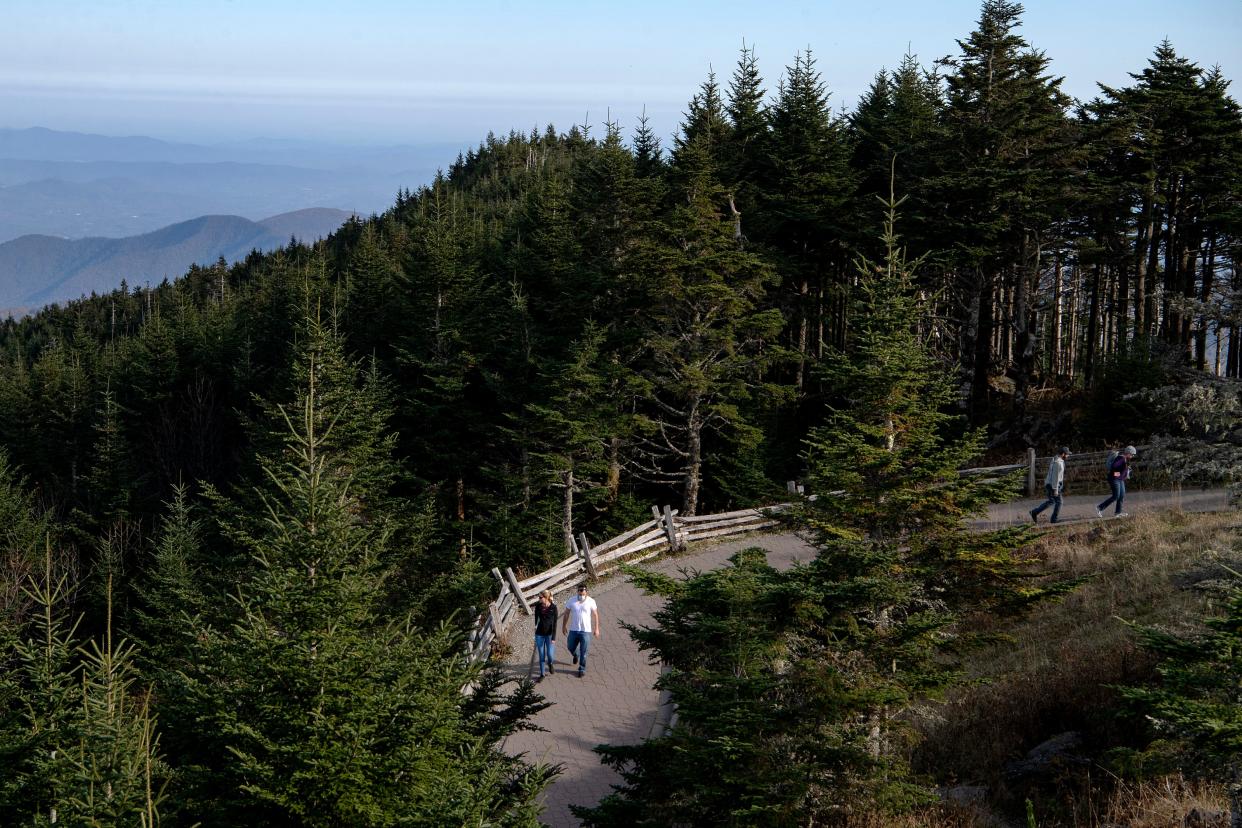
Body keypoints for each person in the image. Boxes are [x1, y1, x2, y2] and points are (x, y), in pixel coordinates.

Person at [562, 582, 599, 678]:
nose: (581, 595)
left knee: (584, 651)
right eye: (579, 593)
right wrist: (564, 626)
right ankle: (576, 654)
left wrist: (597, 628)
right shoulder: (571, 600)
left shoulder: (591, 601)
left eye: (583, 593)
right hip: (573, 630)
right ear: (577, 591)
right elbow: (566, 613)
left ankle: (581, 669)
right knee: (570, 647)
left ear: (586, 592)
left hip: (586, 631)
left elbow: (595, 615)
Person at [1030, 446, 1071, 524]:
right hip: (1053, 485)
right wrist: (1055, 489)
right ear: (1062, 454)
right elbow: (1055, 477)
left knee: (1051, 501)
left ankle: (1034, 512)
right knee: (1059, 502)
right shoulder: (1058, 463)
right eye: (1067, 454)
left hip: (1049, 483)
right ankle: (1054, 520)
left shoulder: (1055, 458)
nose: (1068, 456)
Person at [1097, 445, 1137, 518]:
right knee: (1116, 496)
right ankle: (1100, 508)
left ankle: (1118, 513)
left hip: (1120, 480)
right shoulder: (1120, 458)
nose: (1133, 456)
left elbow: (1120, 471)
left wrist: (1125, 472)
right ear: (1128, 453)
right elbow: (1114, 469)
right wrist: (1122, 470)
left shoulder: (1125, 459)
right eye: (1132, 454)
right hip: (1114, 479)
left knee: (1121, 496)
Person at [533, 589, 557, 679]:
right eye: (538, 597)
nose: (539, 599)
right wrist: (535, 626)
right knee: (541, 654)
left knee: (550, 654)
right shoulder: (538, 606)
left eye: (540, 597)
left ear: (546, 597)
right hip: (539, 634)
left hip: (549, 634)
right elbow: (536, 619)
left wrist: (554, 637)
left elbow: (555, 623)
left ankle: (550, 663)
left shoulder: (553, 608)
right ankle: (542, 674)